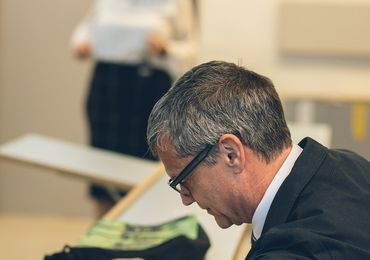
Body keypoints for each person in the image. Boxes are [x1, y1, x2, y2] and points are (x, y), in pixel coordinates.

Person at [146, 60, 370, 259]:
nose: (186, 199)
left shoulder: (296, 250)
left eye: (184, 181)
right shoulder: (347, 164)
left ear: (231, 154)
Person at [71, 0, 198, 216]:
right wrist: (81, 44)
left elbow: (190, 48)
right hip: (106, 85)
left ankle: (139, 239)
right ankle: (103, 241)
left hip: (147, 87)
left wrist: (166, 49)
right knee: (102, 169)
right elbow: (84, 32)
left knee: (143, 170)